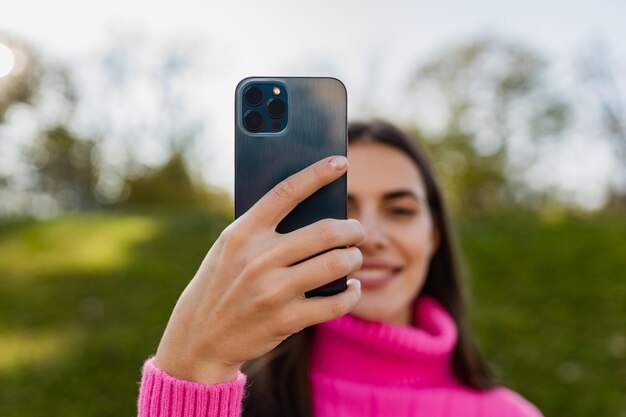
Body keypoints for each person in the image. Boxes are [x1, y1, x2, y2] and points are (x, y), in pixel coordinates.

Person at [137, 120, 543, 417]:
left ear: (433, 236)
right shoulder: (224, 397)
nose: (368, 234)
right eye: (341, 209)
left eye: (400, 210)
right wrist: (191, 371)